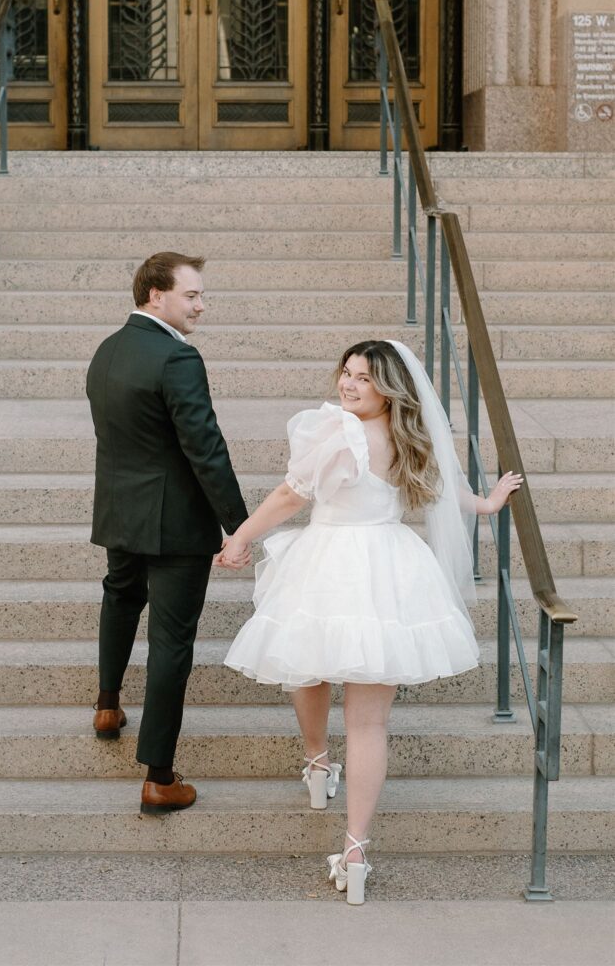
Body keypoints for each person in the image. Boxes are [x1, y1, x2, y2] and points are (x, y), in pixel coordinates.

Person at [218, 339, 522, 904]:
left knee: (307, 665)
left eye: (364, 378)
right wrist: (486, 503)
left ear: (389, 388)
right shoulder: (410, 437)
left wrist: (240, 538)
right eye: (346, 373)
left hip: (329, 558)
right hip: (390, 569)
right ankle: (355, 849)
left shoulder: (339, 433)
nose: (349, 385)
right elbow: (438, 490)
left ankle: (316, 764)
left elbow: (291, 495)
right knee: (368, 723)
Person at [86, 251, 250, 815]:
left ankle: (107, 705)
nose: (201, 305)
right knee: (171, 642)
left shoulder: (107, 351)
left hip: (119, 512)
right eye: (192, 295)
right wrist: (239, 524)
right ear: (156, 295)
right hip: (175, 524)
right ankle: (159, 776)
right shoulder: (178, 359)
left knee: (120, 595)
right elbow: (204, 447)